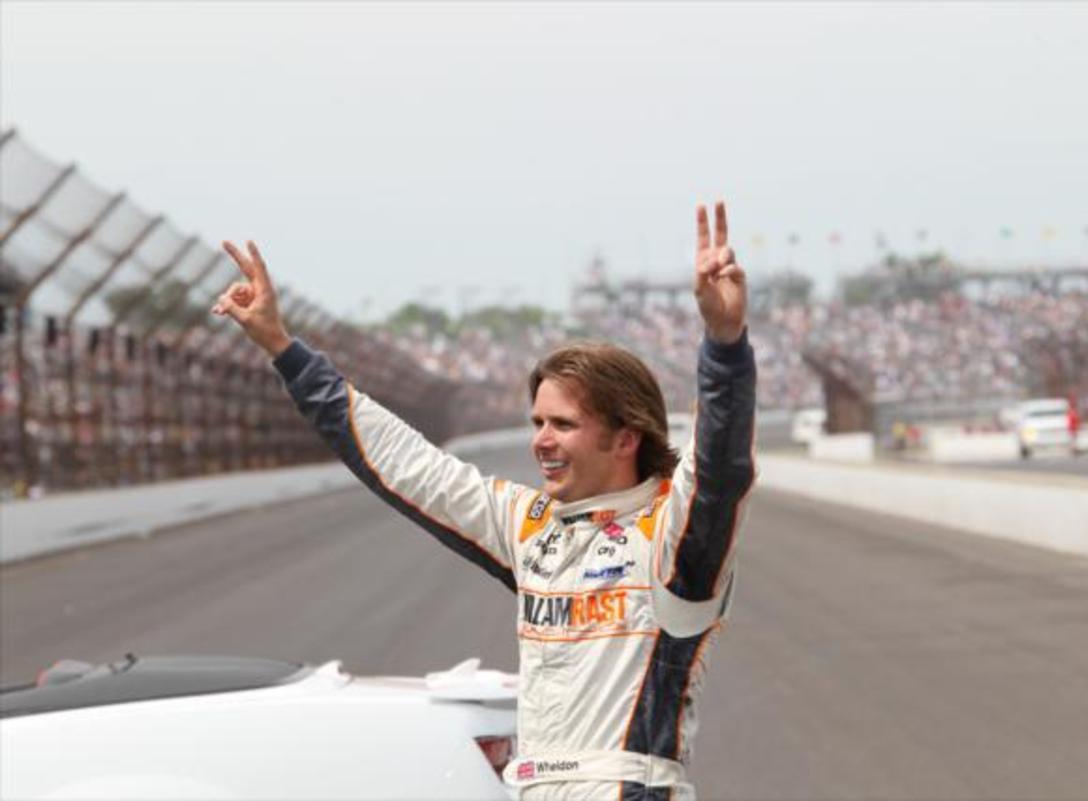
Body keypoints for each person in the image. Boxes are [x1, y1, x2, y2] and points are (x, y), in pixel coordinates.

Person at [212, 202, 757, 800]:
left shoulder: (672, 536)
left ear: (626, 437)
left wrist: (725, 347)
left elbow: (720, 466)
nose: (541, 441)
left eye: (563, 425)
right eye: (537, 422)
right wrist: (284, 350)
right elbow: (405, 463)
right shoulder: (529, 525)